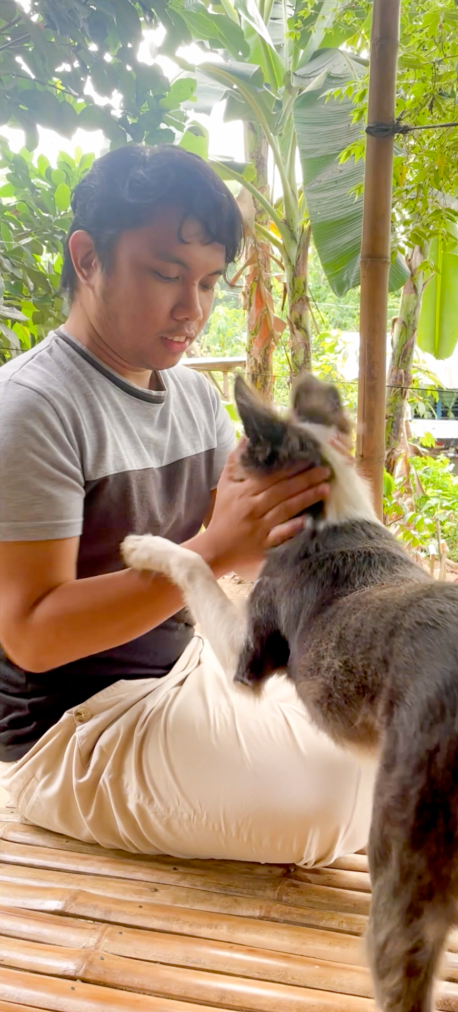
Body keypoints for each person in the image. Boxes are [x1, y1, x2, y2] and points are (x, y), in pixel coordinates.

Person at [0, 145, 374, 865]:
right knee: (330, 794)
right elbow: (31, 637)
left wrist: (303, 507)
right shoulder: (33, 409)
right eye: (166, 275)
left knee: (388, 728)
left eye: (208, 284)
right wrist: (215, 550)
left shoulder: (195, 397)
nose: (191, 309)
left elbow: (243, 537)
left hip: (184, 669)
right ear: (87, 259)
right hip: (72, 728)